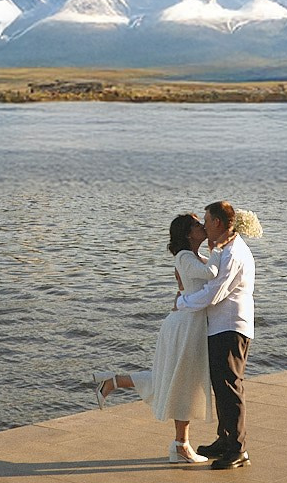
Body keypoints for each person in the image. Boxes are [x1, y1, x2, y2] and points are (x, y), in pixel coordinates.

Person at [94, 213, 216, 464]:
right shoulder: (185, 257)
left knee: (175, 379)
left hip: (190, 325)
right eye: (196, 224)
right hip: (184, 327)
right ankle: (180, 445)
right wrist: (219, 247)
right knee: (182, 382)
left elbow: (195, 283)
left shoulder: (194, 258)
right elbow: (212, 274)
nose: (202, 226)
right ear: (187, 233)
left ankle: (113, 382)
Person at [175, 200, 255, 469]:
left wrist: (182, 303)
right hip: (220, 326)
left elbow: (215, 292)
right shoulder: (225, 249)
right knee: (222, 386)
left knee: (230, 387)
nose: (204, 226)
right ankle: (225, 439)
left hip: (230, 326)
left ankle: (238, 449)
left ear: (218, 223)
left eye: (206, 221)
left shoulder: (233, 253)